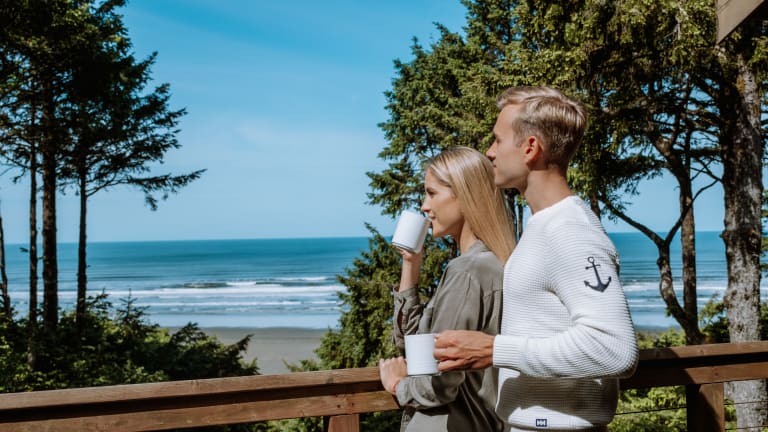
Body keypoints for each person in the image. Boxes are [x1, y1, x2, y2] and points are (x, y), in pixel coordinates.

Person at [433, 86, 639, 431]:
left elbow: (614, 348)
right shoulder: (543, 226)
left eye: (498, 140)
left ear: (530, 148)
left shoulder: (569, 230)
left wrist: (495, 350)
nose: (490, 152)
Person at [379, 146, 516, 431]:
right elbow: (416, 346)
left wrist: (398, 385)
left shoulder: (467, 271)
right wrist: (410, 264)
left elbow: (440, 382)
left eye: (431, 193)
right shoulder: (493, 264)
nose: (423, 206)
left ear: (465, 195)